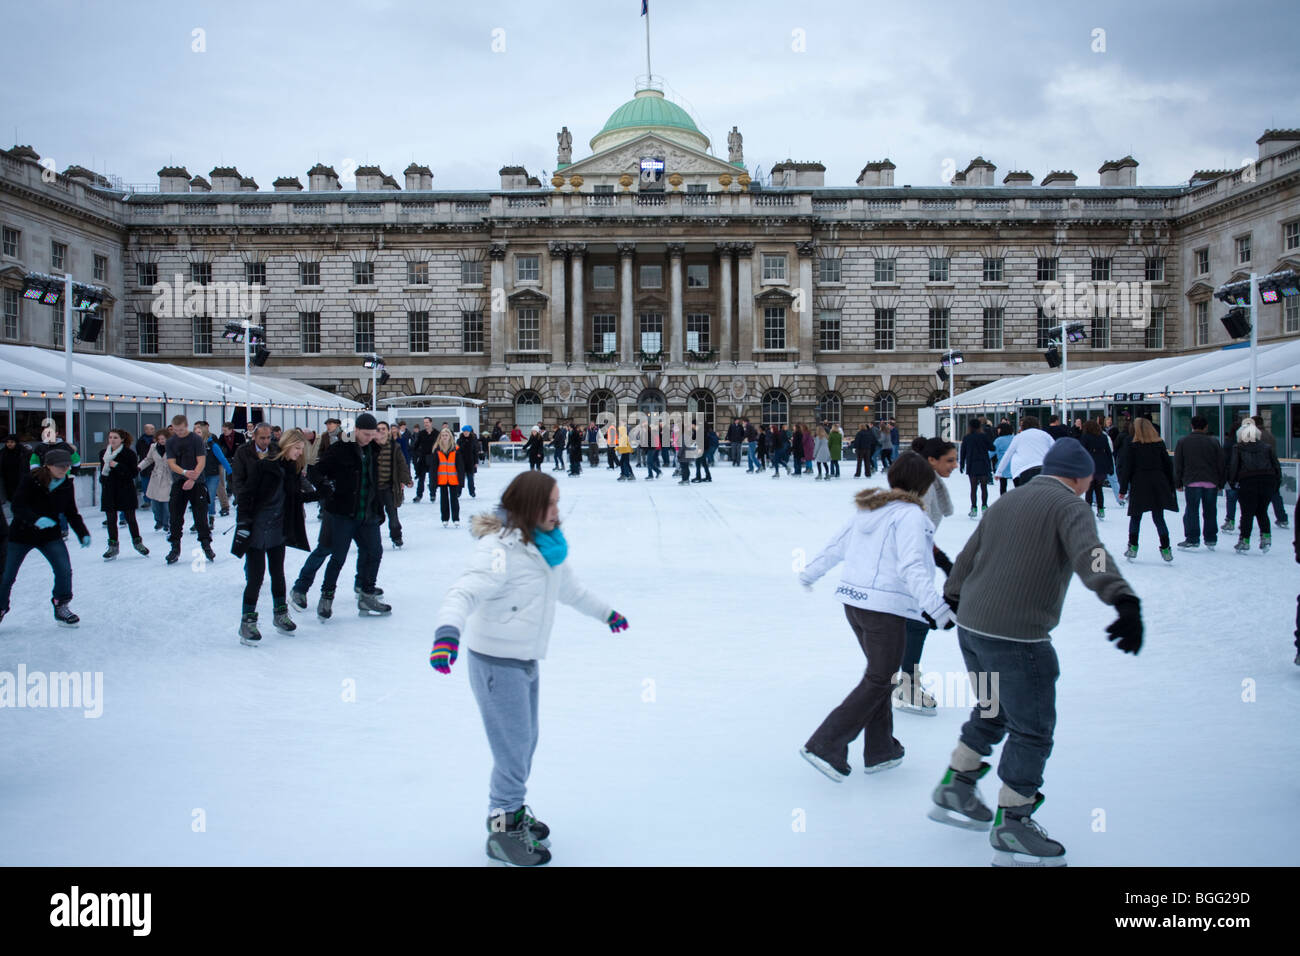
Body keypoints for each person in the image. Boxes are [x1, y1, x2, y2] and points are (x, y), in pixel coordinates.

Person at [932, 437, 1142, 866]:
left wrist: (953, 598)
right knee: (1032, 727)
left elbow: (969, 555)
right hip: (1017, 636)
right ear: (1081, 477)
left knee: (993, 709)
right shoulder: (1070, 506)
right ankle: (1014, 822)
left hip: (973, 626)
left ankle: (957, 783)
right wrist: (1123, 599)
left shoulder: (1009, 500)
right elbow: (1092, 556)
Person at [430, 470, 628, 866]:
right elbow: (464, 590)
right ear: (529, 506)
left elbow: (571, 591)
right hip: (495, 663)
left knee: (525, 741)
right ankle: (503, 831)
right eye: (550, 503)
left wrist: (607, 614)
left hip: (523, 660)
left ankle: (513, 813)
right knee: (513, 749)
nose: (558, 510)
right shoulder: (499, 549)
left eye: (557, 502)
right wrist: (447, 633)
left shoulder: (545, 546)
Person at [798, 453, 955, 781]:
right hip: (885, 607)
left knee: (879, 674)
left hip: (854, 604)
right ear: (924, 485)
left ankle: (881, 749)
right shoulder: (911, 516)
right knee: (880, 678)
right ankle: (826, 745)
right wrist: (938, 610)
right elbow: (913, 566)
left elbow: (835, 547)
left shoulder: (869, 509)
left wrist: (810, 573)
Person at [233, 428, 320, 646]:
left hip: (278, 529)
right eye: (298, 448)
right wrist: (243, 523)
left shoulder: (291, 470)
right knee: (256, 577)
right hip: (256, 528)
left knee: (278, 573)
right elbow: (246, 495)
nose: (300, 453)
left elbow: (295, 497)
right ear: (288, 445)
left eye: (302, 449)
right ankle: (247, 621)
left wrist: (322, 494)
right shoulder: (265, 466)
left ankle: (280, 613)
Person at [894, 440, 957, 717]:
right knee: (916, 622)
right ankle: (906, 685)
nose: (955, 466)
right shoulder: (926, 487)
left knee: (910, 623)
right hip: (909, 564)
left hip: (911, 560)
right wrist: (942, 561)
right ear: (931, 460)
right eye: (949, 461)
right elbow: (914, 531)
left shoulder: (926, 481)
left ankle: (900, 680)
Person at [305, 412, 389, 619]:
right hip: (343, 512)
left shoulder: (374, 450)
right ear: (357, 430)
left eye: (373, 434)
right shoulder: (340, 449)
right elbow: (315, 470)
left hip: (367, 512)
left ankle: (367, 594)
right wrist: (326, 487)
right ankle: (327, 596)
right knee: (338, 556)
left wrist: (379, 507)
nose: (370, 438)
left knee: (374, 552)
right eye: (366, 434)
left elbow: (373, 481)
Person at [0, 448, 91, 627]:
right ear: (48, 465)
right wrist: (35, 519)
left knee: (64, 570)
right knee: (7, 575)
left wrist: (82, 533)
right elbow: (17, 506)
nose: (64, 469)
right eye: (60, 466)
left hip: (50, 536)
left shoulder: (66, 483)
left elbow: (71, 512)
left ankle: (61, 605)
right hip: (21, 535)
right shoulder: (30, 480)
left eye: (67, 465)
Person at [1118, 418, 1176, 562]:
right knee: (1159, 517)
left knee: (1136, 517)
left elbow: (1127, 469)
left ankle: (1133, 546)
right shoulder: (1159, 444)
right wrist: (1170, 486)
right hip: (1158, 482)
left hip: (1140, 483)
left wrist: (1123, 489)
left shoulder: (1133, 446)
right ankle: (1166, 548)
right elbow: (1168, 466)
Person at [164, 415, 214, 565]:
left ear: (186, 426)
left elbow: (201, 461)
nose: (178, 432)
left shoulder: (196, 440)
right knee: (175, 516)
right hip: (179, 481)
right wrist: (185, 473)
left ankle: (206, 545)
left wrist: (193, 478)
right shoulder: (171, 442)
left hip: (197, 483)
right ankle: (175, 547)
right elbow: (171, 463)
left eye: (181, 429)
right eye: (175, 430)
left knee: (200, 516)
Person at [1227, 418, 1281, 554]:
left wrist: (1232, 482)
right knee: (1262, 511)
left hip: (1248, 481)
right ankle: (1266, 537)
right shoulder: (1267, 448)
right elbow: (1276, 466)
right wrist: (1276, 483)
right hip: (1268, 480)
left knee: (1247, 513)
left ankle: (1244, 540)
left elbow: (1234, 466)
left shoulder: (1238, 448)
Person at [1173, 415, 1225, 550]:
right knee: (1210, 511)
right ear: (1206, 427)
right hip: (1211, 481)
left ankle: (1192, 538)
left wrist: (1177, 482)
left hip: (1192, 481)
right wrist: (1221, 482)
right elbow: (1221, 463)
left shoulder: (1183, 442)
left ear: (1192, 426)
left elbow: (1178, 464)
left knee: (1192, 510)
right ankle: (1211, 538)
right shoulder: (1214, 442)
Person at [98, 428, 148, 560]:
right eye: (110, 437)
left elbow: (133, 473)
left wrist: (117, 466)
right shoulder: (104, 454)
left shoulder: (129, 454)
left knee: (130, 518)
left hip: (125, 489)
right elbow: (102, 472)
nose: (112, 440)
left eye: (115, 437)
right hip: (109, 490)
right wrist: (102, 479)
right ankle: (113, 546)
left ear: (122, 440)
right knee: (111, 519)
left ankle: (137, 543)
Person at [374, 421, 413, 548]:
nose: (381, 431)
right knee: (375, 516)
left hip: (389, 486)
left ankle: (396, 537)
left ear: (388, 431)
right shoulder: (370, 446)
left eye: (383, 429)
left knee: (393, 514)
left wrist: (407, 479)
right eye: (378, 429)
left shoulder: (394, 446)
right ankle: (372, 539)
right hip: (374, 488)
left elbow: (402, 464)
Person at [1252, 415, 1290, 530]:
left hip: (1258, 470)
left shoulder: (1255, 436)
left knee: (1253, 496)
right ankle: (1282, 518)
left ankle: (1248, 519)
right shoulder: (1270, 435)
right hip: (1271, 469)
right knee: (1275, 495)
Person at [997, 416, 1055, 487]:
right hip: (1043, 468)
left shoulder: (1019, 437)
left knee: (1025, 495)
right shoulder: (1045, 435)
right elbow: (1055, 450)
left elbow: (1008, 454)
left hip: (1024, 469)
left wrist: (999, 472)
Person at [195, 422, 233, 524]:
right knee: (199, 499)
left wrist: (230, 472)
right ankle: (200, 521)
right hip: (198, 475)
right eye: (196, 432)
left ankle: (210, 518)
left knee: (210, 497)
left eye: (199, 432)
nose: (197, 434)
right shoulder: (193, 446)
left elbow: (222, 458)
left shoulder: (212, 445)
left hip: (212, 475)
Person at [1078, 419, 1115, 519]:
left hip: (1090, 466)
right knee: (1099, 489)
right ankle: (1101, 509)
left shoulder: (1086, 437)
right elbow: (1108, 452)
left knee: (1089, 490)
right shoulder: (1103, 437)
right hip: (1102, 466)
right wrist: (1110, 466)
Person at [140, 429, 174, 533]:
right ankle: (158, 521)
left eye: (163, 439)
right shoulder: (153, 447)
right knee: (155, 503)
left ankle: (167, 523)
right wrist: (139, 467)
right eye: (159, 439)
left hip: (168, 476)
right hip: (156, 476)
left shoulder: (173, 447)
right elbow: (148, 459)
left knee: (166, 503)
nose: (161, 441)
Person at [959, 419, 995, 516]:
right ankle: (984, 506)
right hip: (983, 463)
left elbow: (963, 452)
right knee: (984, 487)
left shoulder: (967, 438)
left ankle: (974, 508)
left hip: (972, 464)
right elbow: (992, 448)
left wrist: (962, 464)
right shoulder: (983, 436)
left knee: (973, 488)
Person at [434, 426, 464, 528]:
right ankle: (445, 518)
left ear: (450, 437)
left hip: (453, 479)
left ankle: (456, 518)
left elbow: (460, 467)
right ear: (440, 437)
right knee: (444, 500)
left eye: (446, 435)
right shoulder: (437, 450)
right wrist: (433, 482)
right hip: (442, 479)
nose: (444, 437)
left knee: (454, 500)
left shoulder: (456, 449)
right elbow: (433, 468)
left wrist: (461, 481)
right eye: (443, 435)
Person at [411, 418, 437, 502]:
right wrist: (416, 454)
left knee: (432, 478)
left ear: (431, 423)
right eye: (424, 422)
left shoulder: (436, 433)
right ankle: (419, 495)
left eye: (427, 422)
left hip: (433, 458)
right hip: (423, 458)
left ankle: (433, 494)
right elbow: (416, 445)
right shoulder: (421, 433)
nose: (426, 424)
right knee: (421, 478)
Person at [1, 434, 29, 509]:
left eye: (12, 442)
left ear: (16, 443)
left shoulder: (23, 452)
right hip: (7, 479)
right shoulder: (3, 452)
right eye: (7, 442)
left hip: (20, 477)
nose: (9, 444)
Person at [991, 422, 1014, 496]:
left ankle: (1004, 502)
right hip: (1015, 465)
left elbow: (991, 452)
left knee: (1003, 486)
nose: (997, 431)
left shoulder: (999, 440)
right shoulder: (1015, 438)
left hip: (1003, 466)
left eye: (998, 429)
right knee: (1017, 485)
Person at [459, 426, 481, 496]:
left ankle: (472, 491)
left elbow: (475, 452)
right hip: (461, 462)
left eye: (467, 431)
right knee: (460, 478)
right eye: (464, 431)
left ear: (469, 432)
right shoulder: (459, 440)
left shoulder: (473, 440)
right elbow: (457, 451)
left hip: (470, 462)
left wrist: (476, 462)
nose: (465, 433)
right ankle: (458, 492)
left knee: (470, 478)